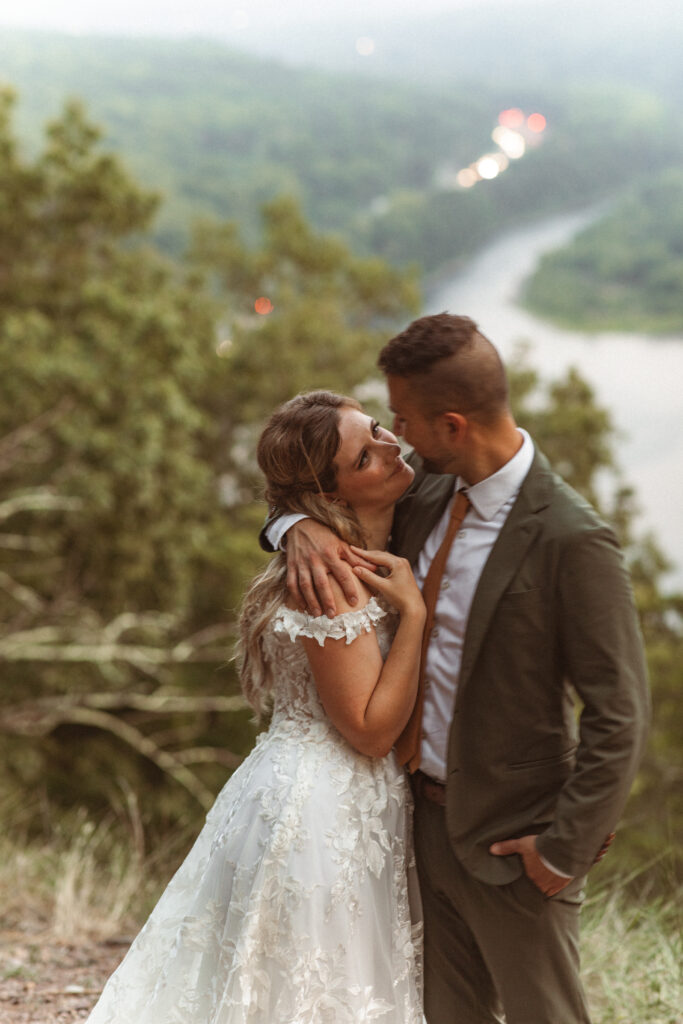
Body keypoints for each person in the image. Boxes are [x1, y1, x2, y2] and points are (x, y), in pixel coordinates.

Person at [268, 314, 650, 1024]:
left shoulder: (571, 538)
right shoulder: (425, 494)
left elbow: (619, 713)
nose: (394, 436)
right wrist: (295, 527)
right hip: (413, 830)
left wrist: (561, 850)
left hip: (514, 849)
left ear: (451, 424)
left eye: (403, 420)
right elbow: (318, 489)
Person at [86, 391, 427, 1024]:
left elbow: (283, 505)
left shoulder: (337, 535)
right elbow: (371, 732)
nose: (390, 445)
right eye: (365, 456)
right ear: (331, 496)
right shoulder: (331, 581)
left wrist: (293, 523)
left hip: (311, 791)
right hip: (323, 807)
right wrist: (414, 616)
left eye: (378, 429)